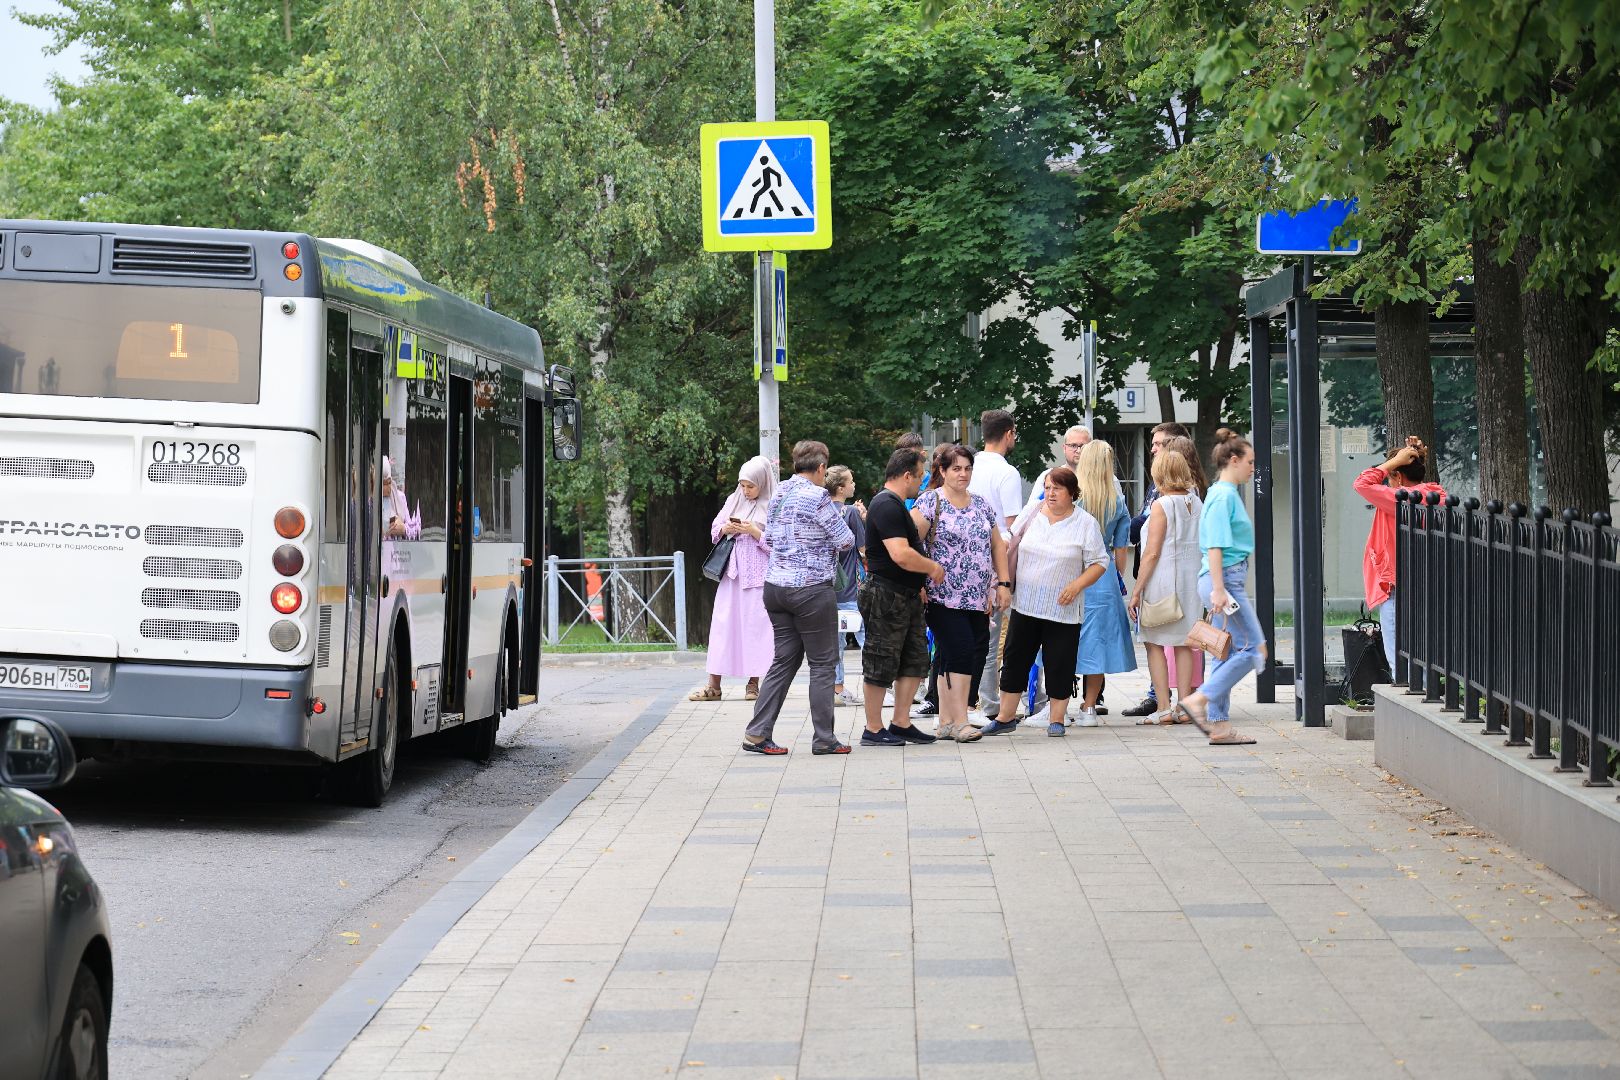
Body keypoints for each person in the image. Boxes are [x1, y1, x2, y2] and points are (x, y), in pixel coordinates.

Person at [742, 441, 856, 757]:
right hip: (810, 589)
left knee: (783, 659)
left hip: (775, 587)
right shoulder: (818, 496)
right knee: (822, 663)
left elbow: (770, 538)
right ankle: (824, 738)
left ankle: (758, 732)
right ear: (821, 469)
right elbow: (845, 541)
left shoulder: (779, 493)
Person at [981, 468, 1108, 736]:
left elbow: (1099, 562)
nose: (1050, 493)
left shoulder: (1085, 523)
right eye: (1048, 487)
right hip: (1026, 604)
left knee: (1059, 663)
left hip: (1063, 608)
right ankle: (1005, 717)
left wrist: (1076, 585)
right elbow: (1010, 537)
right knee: (1015, 659)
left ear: (1072, 493)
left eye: (1057, 489)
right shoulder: (1032, 512)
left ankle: (1057, 719)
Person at [1169, 428, 1262, 745]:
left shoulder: (1223, 494)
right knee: (1254, 649)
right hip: (1225, 579)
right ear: (1233, 460)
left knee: (1226, 650)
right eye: (1250, 461)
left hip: (1222, 579)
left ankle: (1219, 726)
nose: (1253, 467)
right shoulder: (1224, 496)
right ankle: (1199, 701)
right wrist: (1221, 590)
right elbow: (1217, 547)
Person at [913, 444, 1010, 741]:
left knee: (950, 654)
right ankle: (960, 720)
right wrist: (918, 581)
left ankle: (945, 721)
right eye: (956, 468)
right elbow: (911, 542)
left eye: (967, 468)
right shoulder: (931, 501)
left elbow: (997, 545)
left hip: (977, 596)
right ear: (942, 471)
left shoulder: (980, 504)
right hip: (942, 595)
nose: (963, 474)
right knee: (961, 651)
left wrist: (1003, 584)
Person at [858, 448, 944, 747]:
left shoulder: (895, 504)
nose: (921, 483)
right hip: (886, 594)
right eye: (919, 476)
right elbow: (901, 554)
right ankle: (873, 727)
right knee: (881, 660)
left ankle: (901, 722)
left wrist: (919, 583)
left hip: (906, 595)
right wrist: (932, 568)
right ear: (906, 475)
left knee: (914, 660)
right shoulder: (886, 504)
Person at [1352, 436, 1444, 672]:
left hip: (1396, 584)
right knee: (1425, 657)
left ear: (1397, 476)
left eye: (1392, 472)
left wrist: (1390, 464)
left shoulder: (1398, 500)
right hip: (1426, 582)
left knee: (1400, 663)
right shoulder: (1435, 496)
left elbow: (1362, 483)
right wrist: (1414, 456)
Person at [1126, 446, 1204, 724]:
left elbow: (1152, 553)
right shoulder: (1196, 503)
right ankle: (1184, 707)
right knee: (1185, 644)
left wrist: (1136, 592)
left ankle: (1163, 708)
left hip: (1162, 583)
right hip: (1190, 584)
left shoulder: (1161, 505)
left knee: (1153, 644)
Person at [693, 457, 776, 702]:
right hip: (732, 576)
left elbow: (777, 544)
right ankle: (713, 685)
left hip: (758, 578)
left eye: (750, 486)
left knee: (756, 630)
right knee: (722, 627)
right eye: (742, 485)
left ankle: (753, 684)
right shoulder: (733, 499)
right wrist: (726, 528)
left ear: (762, 482)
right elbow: (715, 528)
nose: (745, 490)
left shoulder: (773, 505)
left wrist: (754, 531)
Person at [1072, 440, 1136, 726]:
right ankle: (1089, 707)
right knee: (1097, 643)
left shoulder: (1073, 498)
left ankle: (1056, 703)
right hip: (1104, 574)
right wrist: (1116, 575)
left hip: (1072, 572)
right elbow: (1121, 550)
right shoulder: (1117, 501)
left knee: (1064, 637)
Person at [968, 409, 1025, 718]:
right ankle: (988, 702)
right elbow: (1012, 527)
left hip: (966, 560)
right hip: (995, 560)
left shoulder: (968, 466)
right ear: (1009, 434)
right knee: (992, 638)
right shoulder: (1007, 473)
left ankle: (970, 700)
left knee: (973, 634)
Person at [825, 465, 868, 705]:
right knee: (865, 636)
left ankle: (837, 688)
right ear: (841, 488)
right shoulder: (850, 513)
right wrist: (864, 518)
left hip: (828, 590)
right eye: (850, 481)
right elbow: (864, 550)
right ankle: (878, 684)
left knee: (836, 641)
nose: (853, 485)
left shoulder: (821, 511)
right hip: (851, 587)